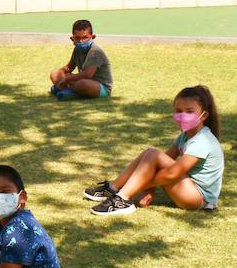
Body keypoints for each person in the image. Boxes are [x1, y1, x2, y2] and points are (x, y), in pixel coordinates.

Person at [87, 85, 225, 216]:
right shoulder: (185, 136)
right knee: (150, 153)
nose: (183, 116)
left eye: (189, 111)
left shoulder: (203, 141)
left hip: (197, 198)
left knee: (153, 153)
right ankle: (113, 188)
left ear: (204, 115)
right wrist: (149, 190)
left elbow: (172, 173)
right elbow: (157, 164)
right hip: (187, 189)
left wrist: (143, 185)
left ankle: (122, 197)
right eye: (178, 111)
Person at [49, 19, 113, 99]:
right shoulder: (77, 49)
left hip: (101, 87)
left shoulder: (95, 51)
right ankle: (69, 91)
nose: (81, 41)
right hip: (82, 80)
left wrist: (67, 79)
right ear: (72, 38)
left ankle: (67, 91)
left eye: (85, 37)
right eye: (77, 38)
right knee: (55, 73)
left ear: (92, 37)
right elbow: (69, 67)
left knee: (82, 84)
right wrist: (61, 73)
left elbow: (87, 74)